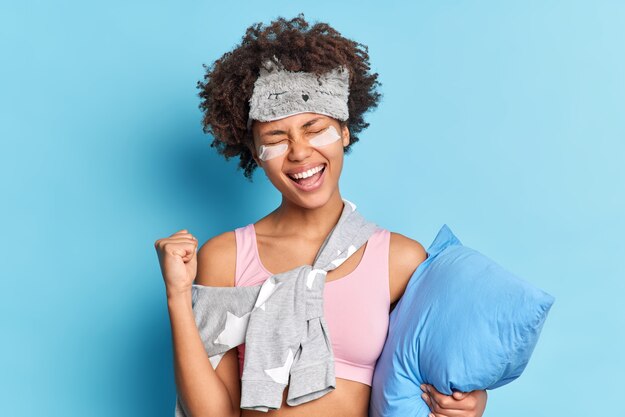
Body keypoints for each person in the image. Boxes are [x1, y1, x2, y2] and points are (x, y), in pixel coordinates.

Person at [155, 13, 488, 417]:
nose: (299, 152)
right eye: (276, 138)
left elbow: (430, 379)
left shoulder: (399, 260)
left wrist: (468, 402)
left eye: (314, 128)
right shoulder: (226, 257)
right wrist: (177, 296)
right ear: (256, 155)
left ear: (344, 132)